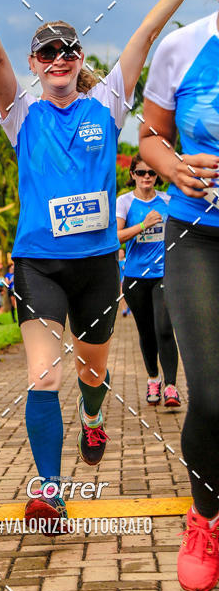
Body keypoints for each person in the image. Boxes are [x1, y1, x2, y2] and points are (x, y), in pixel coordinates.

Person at [0, 0, 201, 532]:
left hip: (98, 265)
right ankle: (50, 490)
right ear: (36, 65)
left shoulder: (105, 107)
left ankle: (92, 415)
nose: (59, 59)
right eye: (48, 53)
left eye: (69, 51)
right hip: (38, 263)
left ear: (80, 62)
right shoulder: (20, 116)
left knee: (91, 371)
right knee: (44, 374)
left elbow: (141, 38)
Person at [140, 0, 219, 591]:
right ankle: (205, 513)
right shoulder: (184, 48)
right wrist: (172, 167)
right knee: (214, 397)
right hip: (199, 236)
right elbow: (149, 136)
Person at [116, 156, 179, 407]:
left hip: (164, 275)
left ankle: (171, 387)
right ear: (132, 174)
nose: (146, 177)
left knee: (164, 327)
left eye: (152, 172)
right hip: (134, 278)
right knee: (146, 332)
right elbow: (116, 237)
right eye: (141, 172)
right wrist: (143, 224)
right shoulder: (124, 202)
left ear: (157, 176)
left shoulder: (167, 201)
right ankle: (154, 379)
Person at [117, 248, 130, 317]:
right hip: (118, 282)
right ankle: (124, 310)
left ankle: (127, 309)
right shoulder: (116, 261)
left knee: (126, 296)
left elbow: (128, 271)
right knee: (121, 296)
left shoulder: (125, 261)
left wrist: (125, 268)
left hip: (125, 281)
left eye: (121, 253)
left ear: (124, 254)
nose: (120, 254)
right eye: (119, 253)